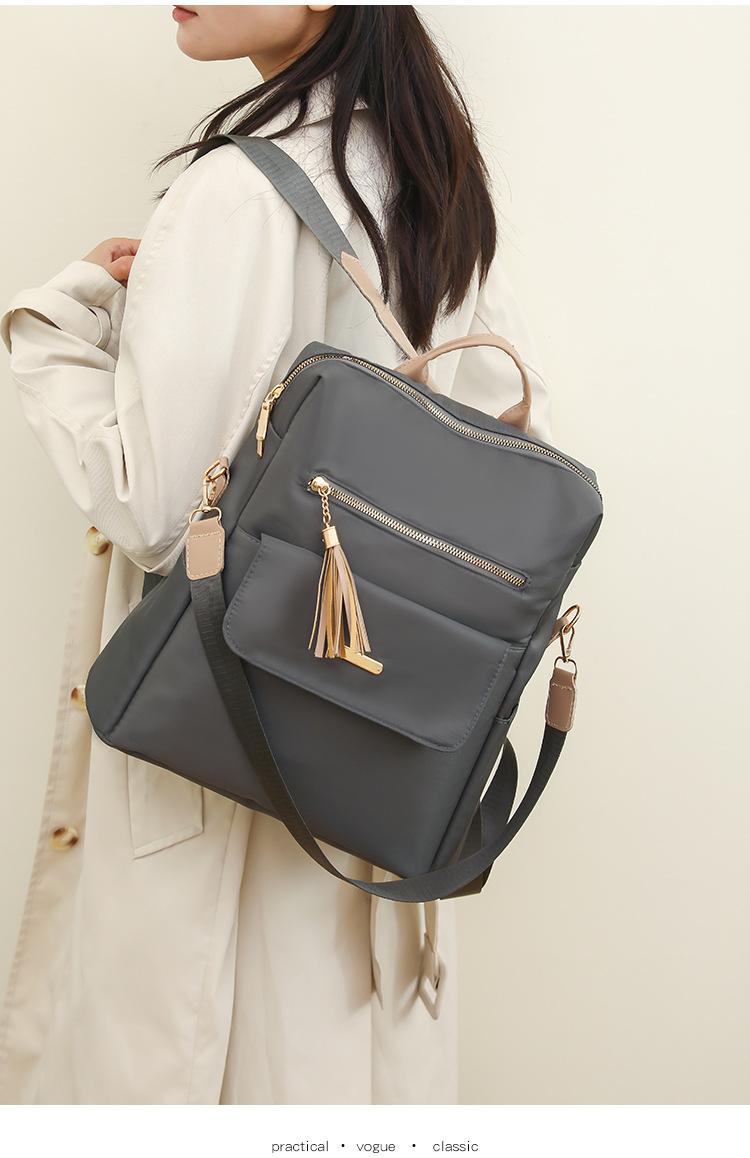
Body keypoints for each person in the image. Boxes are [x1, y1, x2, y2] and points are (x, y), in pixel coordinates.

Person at [0, 5, 551, 1104]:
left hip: (226, 747)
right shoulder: (424, 176)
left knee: (198, 1059)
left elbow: (160, 512)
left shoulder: (238, 191)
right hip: (378, 742)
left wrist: (54, 332)